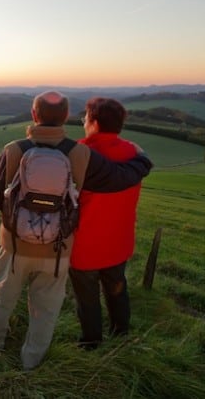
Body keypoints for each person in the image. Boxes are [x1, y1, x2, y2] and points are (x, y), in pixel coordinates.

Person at [0, 90, 152, 370]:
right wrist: (142, 162)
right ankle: (31, 361)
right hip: (57, 251)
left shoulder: (13, 149)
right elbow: (121, 178)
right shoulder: (81, 153)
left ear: (34, 115)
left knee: (1, 297)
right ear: (67, 117)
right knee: (45, 310)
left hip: (14, 246)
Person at [69, 98, 141, 350]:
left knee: (87, 298)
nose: (84, 123)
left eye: (86, 118)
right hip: (119, 241)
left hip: (85, 243)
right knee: (117, 290)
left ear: (94, 122)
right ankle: (121, 336)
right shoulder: (133, 153)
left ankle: (91, 343)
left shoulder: (79, 151)